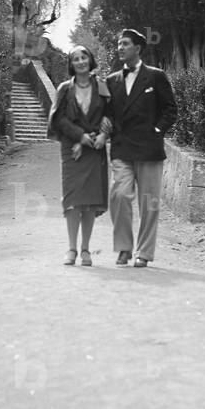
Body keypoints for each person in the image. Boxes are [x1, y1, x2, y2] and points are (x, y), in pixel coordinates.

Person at [105, 28, 177, 267]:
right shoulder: (111, 80)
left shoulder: (156, 76)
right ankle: (124, 247)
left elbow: (170, 109)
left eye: (125, 44)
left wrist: (157, 130)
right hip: (122, 149)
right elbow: (106, 114)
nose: (120, 48)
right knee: (119, 196)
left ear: (137, 48)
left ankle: (144, 253)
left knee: (149, 204)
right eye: (118, 44)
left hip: (149, 150)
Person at [47, 45, 112, 266]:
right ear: (71, 64)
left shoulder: (102, 85)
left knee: (90, 203)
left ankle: (86, 250)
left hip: (95, 148)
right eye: (76, 58)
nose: (81, 61)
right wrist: (79, 137)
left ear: (90, 60)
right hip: (71, 151)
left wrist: (104, 134)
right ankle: (72, 248)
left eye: (84, 57)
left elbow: (111, 114)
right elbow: (59, 119)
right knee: (73, 201)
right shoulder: (64, 89)